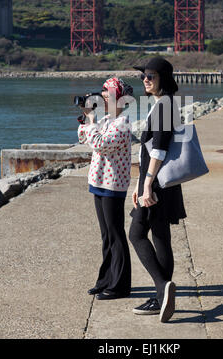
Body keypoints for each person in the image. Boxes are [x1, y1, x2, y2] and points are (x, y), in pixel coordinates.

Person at [129, 57, 187, 322]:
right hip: (159, 181)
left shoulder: (165, 106)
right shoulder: (166, 105)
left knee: (137, 233)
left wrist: (147, 184)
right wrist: (139, 182)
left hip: (157, 182)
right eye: (143, 76)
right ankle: (162, 295)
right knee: (161, 235)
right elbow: (150, 150)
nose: (145, 80)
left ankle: (163, 288)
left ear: (163, 77)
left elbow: (160, 150)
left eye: (150, 75)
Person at [78, 77, 133, 300]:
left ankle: (120, 286)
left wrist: (92, 122)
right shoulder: (107, 119)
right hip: (98, 182)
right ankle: (105, 280)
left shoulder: (123, 123)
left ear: (120, 99)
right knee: (106, 235)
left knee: (116, 234)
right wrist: (87, 118)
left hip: (113, 184)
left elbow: (101, 144)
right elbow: (84, 137)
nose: (103, 99)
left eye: (107, 96)